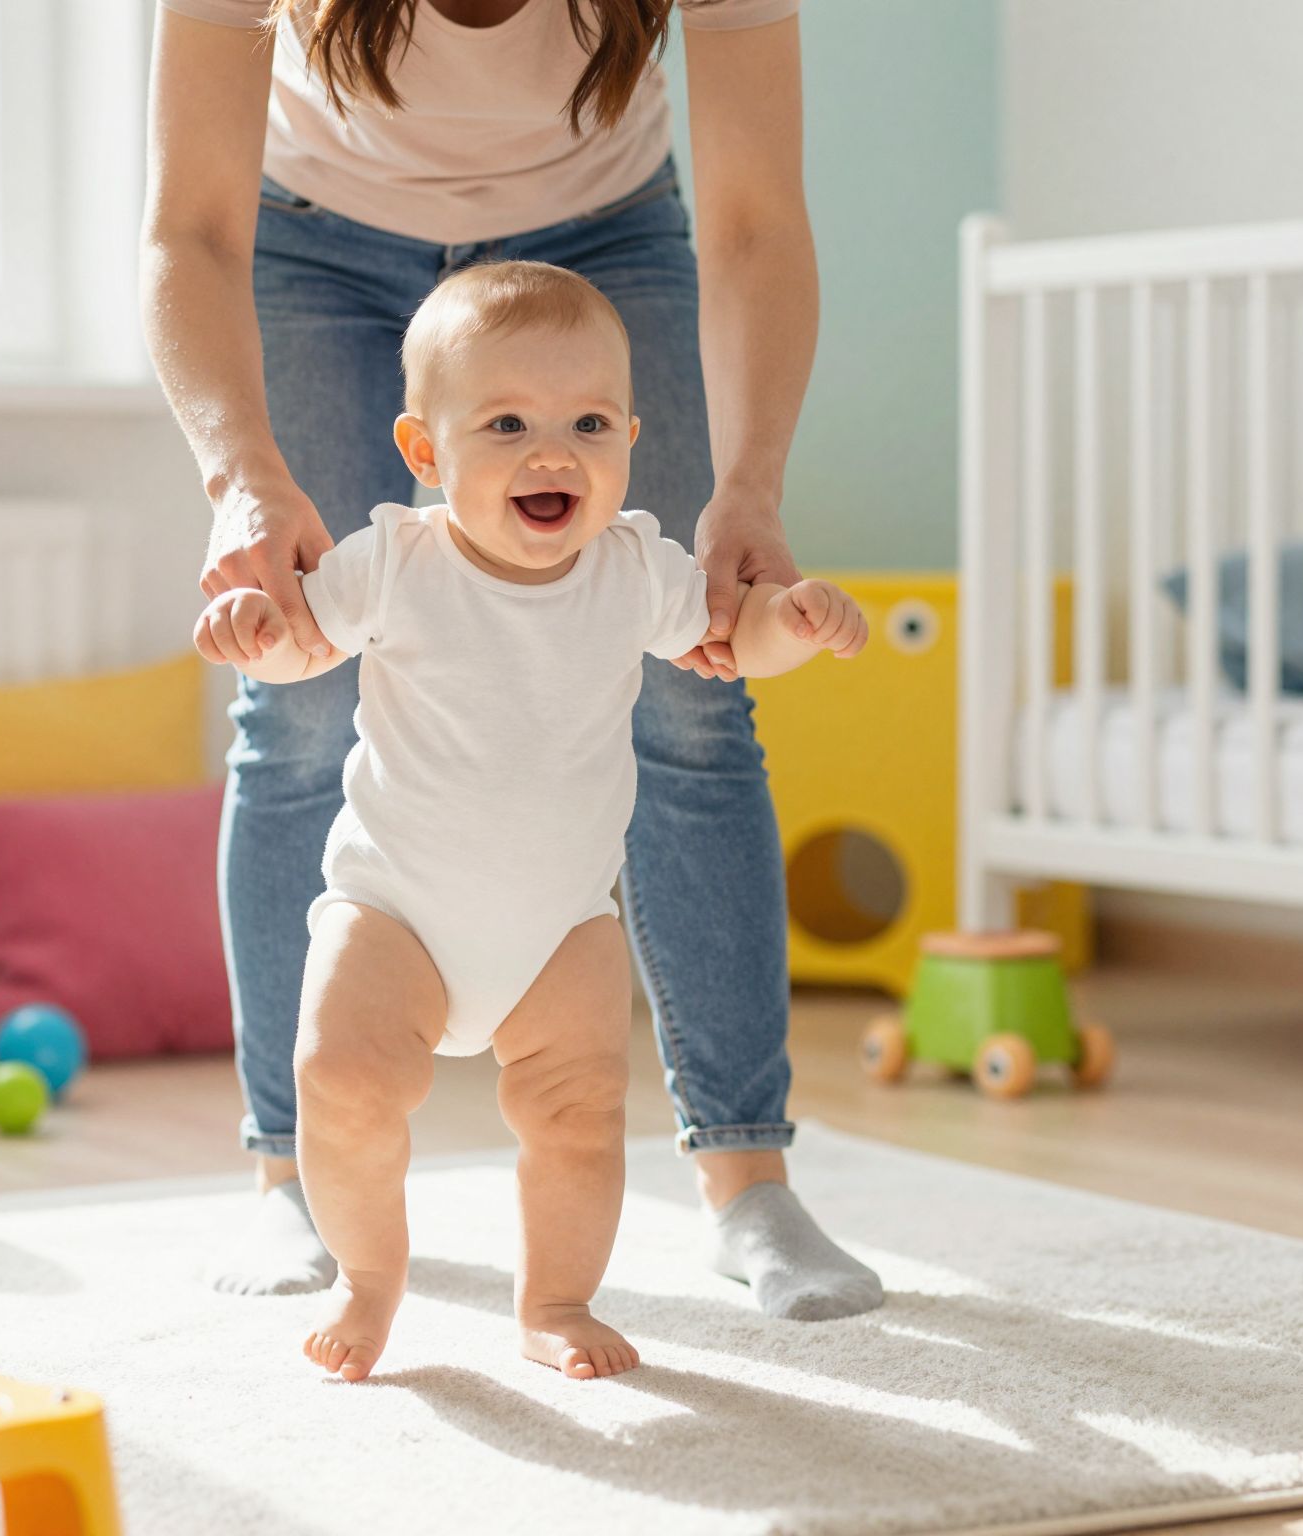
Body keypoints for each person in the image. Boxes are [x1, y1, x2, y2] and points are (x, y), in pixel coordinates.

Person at [142, 0, 885, 1321]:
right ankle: (293, 1172)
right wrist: (238, 473)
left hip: (605, 233)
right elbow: (190, 229)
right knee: (296, 704)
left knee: (695, 694)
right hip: (312, 239)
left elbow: (755, 224)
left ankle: (746, 1178)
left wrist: (751, 488)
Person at [194, 260, 867, 1379]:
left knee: (580, 1117)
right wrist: (256, 634)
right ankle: (367, 1278)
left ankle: (554, 1302)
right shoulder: (392, 559)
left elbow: (730, 641)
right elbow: (303, 649)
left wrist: (793, 625)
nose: (553, 454)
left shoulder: (632, 567)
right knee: (344, 1085)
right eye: (506, 425)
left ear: (630, 440)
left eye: (588, 425)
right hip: (394, 910)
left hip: (560, 926)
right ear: (426, 453)